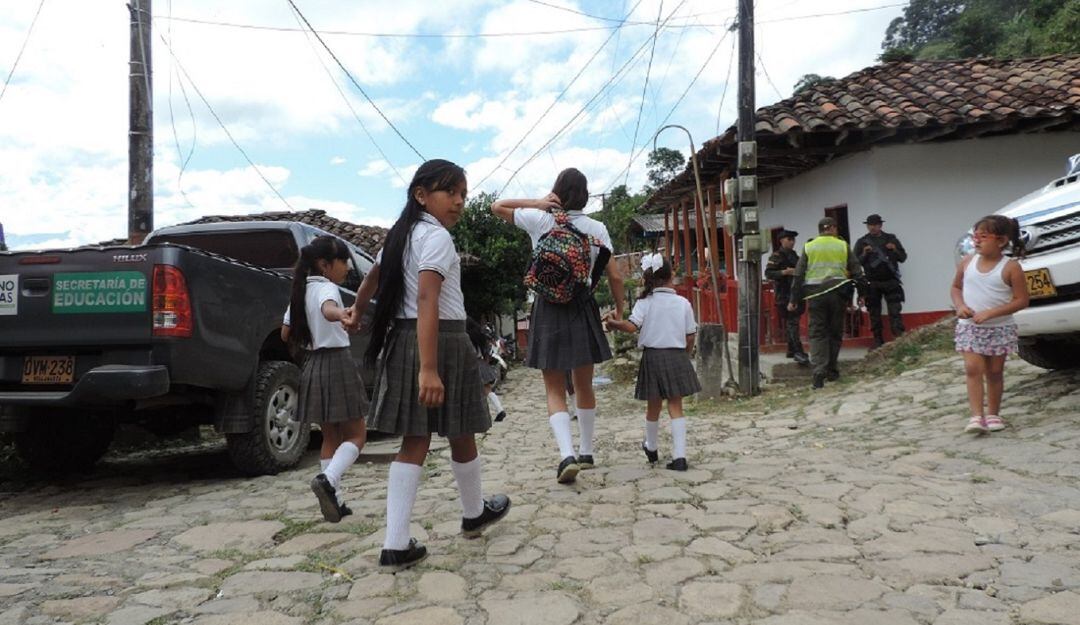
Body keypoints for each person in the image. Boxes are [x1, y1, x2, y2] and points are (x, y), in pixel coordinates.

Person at [350, 159, 510, 571]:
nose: (458, 202)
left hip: (406, 339)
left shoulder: (400, 237)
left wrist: (356, 311)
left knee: (426, 438)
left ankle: (400, 540)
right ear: (421, 194)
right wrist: (428, 368)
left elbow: (371, 279)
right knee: (455, 430)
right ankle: (463, 518)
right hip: (441, 341)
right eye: (449, 192)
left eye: (462, 194)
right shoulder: (436, 238)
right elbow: (427, 299)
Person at [492, 168, 625, 484]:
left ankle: (566, 454)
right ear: (586, 195)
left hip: (548, 308)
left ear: (557, 192)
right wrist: (619, 311)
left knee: (553, 387)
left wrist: (538, 203)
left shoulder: (541, 221)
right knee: (584, 385)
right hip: (583, 307)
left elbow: (496, 206)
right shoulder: (597, 228)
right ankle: (587, 451)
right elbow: (615, 276)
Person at [281, 235, 367, 524]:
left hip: (313, 364)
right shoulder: (326, 288)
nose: (346, 268)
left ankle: (336, 501)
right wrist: (341, 314)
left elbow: (285, 333)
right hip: (336, 363)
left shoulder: (299, 291)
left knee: (330, 436)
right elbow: (328, 309)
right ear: (324, 264)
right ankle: (328, 480)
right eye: (343, 261)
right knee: (357, 434)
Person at [605, 253, 700, 471]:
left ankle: (652, 447)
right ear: (671, 275)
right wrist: (685, 354)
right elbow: (690, 335)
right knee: (676, 406)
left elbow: (631, 326)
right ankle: (680, 457)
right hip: (677, 355)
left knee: (653, 407)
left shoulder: (645, 302)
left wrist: (614, 324)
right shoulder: (683, 303)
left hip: (653, 357)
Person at [950, 215, 1029, 434]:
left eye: (983, 237)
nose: (976, 241)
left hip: (999, 329)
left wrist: (991, 313)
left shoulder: (1011, 268)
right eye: (974, 236)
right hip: (970, 327)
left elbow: (1022, 300)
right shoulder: (967, 262)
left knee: (995, 371)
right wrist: (960, 306)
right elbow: (956, 288)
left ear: (1001, 241)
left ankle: (993, 413)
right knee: (973, 368)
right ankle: (976, 416)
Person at [789, 217, 865, 389]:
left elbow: (798, 274)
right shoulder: (842, 245)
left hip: (816, 295)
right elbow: (857, 270)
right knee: (835, 332)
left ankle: (818, 371)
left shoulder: (809, 246)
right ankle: (831, 370)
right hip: (838, 294)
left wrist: (794, 299)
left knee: (817, 333)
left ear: (821, 229)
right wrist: (862, 294)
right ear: (831, 228)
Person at [853, 214, 907, 348]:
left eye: (875, 225)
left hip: (891, 281)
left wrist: (894, 249)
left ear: (880, 225)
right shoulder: (862, 242)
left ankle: (899, 340)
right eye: (870, 225)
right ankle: (877, 341)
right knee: (874, 313)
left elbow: (903, 257)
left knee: (895, 311)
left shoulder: (891, 239)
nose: (872, 227)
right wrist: (864, 254)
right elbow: (854, 263)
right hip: (872, 282)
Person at [765, 230, 809, 365]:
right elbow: (769, 273)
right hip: (784, 294)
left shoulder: (795, 256)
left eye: (793, 239)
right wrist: (785, 272)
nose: (791, 242)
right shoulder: (776, 256)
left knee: (793, 321)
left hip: (796, 292)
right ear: (782, 240)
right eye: (789, 239)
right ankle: (797, 351)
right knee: (792, 322)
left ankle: (791, 349)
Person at [467, 317, 507, 422]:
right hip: (482, 364)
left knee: (475, 391)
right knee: (487, 390)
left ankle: (483, 414)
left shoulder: (468, 339)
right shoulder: (479, 338)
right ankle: (499, 410)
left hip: (473, 365)